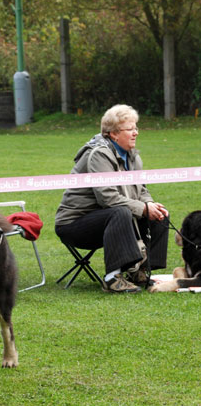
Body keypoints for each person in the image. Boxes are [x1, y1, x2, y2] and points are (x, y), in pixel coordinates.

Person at [55, 104, 169, 293]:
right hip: (74, 224)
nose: (136, 133)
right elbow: (107, 198)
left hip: (110, 219)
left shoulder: (133, 157)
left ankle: (141, 271)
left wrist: (149, 204)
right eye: (130, 129)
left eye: (136, 128)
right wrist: (142, 208)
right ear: (113, 134)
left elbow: (142, 190)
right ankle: (112, 278)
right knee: (121, 212)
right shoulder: (98, 154)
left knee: (159, 214)